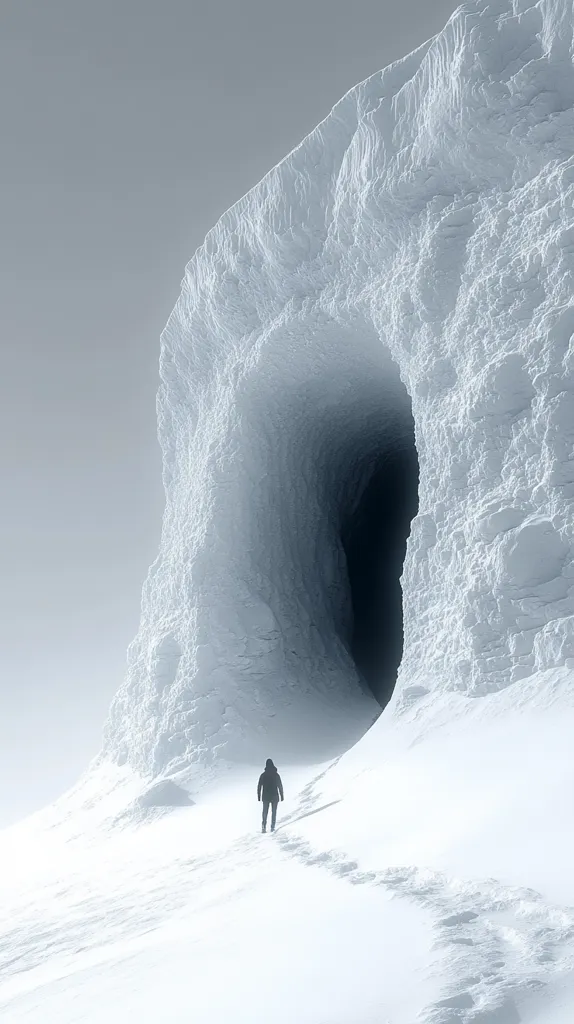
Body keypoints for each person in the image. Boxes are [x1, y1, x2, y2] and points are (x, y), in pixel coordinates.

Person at [257, 758, 284, 832]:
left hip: (265, 796)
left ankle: (264, 826)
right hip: (275, 796)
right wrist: (282, 795)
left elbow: (259, 786)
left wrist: (259, 796)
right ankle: (272, 827)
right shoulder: (276, 775)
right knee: (274, 812)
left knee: (265, 812)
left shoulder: (263, 775)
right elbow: (280, 785)